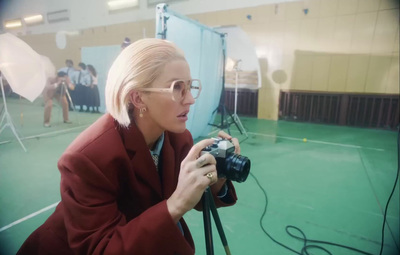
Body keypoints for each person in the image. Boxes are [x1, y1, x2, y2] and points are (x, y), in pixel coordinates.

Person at [17, 38, 240, 254]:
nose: (190, 99)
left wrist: (217, 176)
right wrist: (175, 204)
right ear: (138, 98)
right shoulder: (87, 158)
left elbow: (197, 198)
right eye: (177, 88)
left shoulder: (178, 138)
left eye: (191, 87)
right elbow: (102, 248)